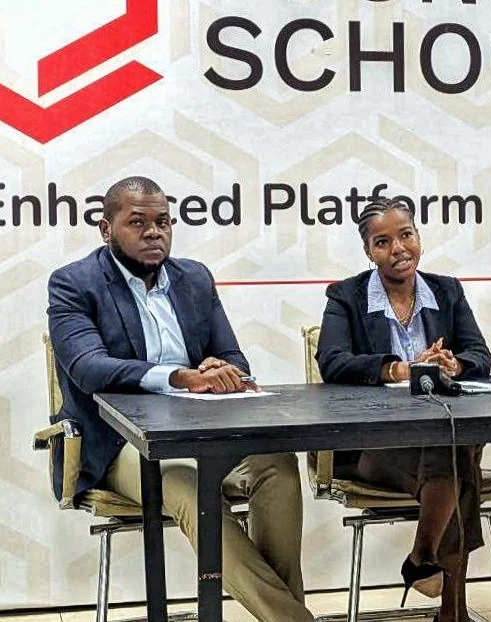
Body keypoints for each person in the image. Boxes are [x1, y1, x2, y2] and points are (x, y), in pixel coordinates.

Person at [46, 176, 313, 622]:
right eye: (138, 222)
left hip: (202, 433)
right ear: (106, 229)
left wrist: (221, 371)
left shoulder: (193, 277)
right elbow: (88, 368)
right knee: (185, 483)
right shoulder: (75, 284)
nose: (154, 232)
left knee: (278, 464)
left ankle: (281, 615)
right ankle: (291, 619)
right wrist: (178, 376)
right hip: (119, 445)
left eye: (163, 221)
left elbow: (234, 358)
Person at [315, 197, 491, 622]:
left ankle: (425, 558)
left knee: (451, 451)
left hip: (438, 438)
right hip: (373, 446)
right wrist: (398, 369)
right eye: (383, 241)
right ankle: (448, 603)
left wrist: (457, 364)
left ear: (418, 238)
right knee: (458, 459)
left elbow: (480, 354)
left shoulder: (447, 290)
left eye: (406, 235)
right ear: (369, 252)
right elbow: (332, 361)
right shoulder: (346, 296)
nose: (398, 248)